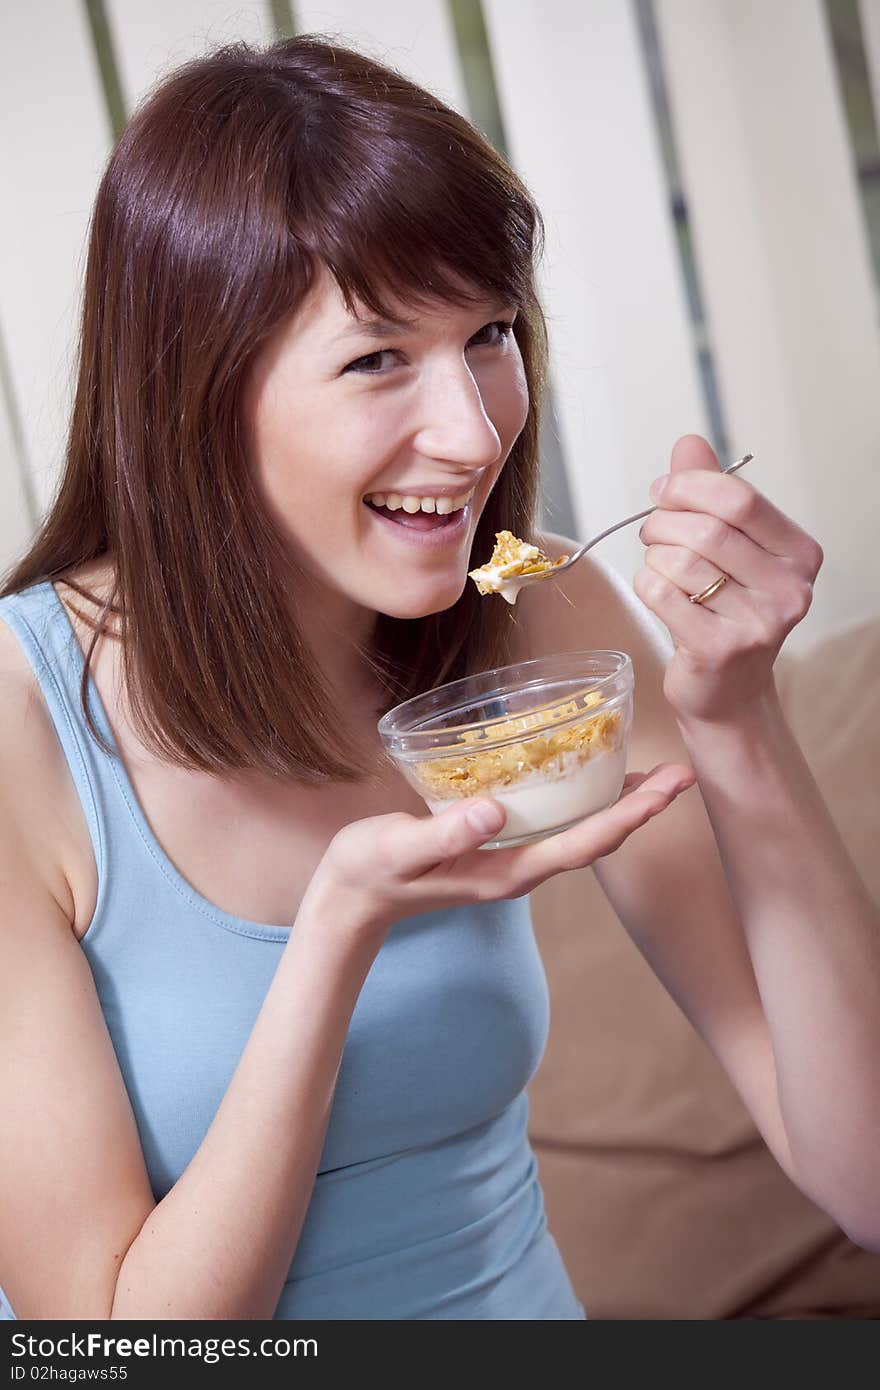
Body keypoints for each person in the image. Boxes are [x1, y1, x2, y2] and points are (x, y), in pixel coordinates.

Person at [0, 34, 877, 1323]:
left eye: (489, 336)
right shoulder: (23, 725)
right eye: (376, 359)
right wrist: (337, 929)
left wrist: (736, 716)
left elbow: (859, 1173)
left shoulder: (532, 602)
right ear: (194, 394)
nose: (476, 432)